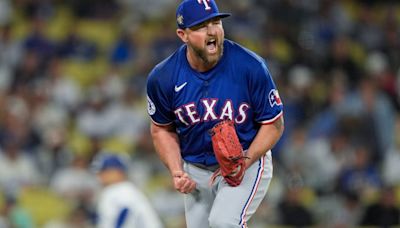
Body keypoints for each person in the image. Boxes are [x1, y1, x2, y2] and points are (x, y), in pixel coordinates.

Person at [146, 0, 284, 227]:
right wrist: (176, 171)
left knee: (223, 222)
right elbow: (161, 129)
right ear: (183, 34)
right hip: (196, 168)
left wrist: (245, 162)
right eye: (201, 26)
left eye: (216, 22)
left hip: (246, 157)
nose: (212, 31)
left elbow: (274, 124)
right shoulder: (163, 77)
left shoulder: (250, 66)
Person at [92, 153, 164, 228]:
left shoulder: (119, 190)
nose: (100, 176)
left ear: (118, 171)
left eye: (104, 171)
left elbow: (126, 212)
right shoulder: (127, 189)